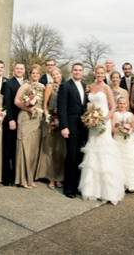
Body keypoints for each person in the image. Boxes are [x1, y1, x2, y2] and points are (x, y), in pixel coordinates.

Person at [78, 64, 125, 204]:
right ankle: (92, 189)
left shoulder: (106, 88)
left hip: (103, 121)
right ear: (95, 73)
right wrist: (90, 118)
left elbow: (113, 106)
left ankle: (108, 190)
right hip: (92, 122)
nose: (99, 75)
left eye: (101, 73)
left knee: (104, 151)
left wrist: (104, 120)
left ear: (104, 74)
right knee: (93, 151)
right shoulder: (90, 87)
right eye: (97, 73)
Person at [57, 62, 88, 198]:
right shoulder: (65, 86)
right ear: (71, 71)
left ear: (83, 72)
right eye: (75, 70)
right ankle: (69, 188)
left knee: (81, 157)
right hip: (71, 127)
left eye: (80, 70)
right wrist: (64, 127)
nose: (77, 72)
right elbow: (61, 108)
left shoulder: (85, 86)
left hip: (84, 128)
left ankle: (78, 186)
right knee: (72, 157)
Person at [14, 64, 45, 188]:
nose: (35, 75)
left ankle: (30, 178)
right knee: (25, 147)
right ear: (30, 74)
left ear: (40, 74)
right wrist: (28, 108)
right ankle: (22, 179)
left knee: (33, 149)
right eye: (33, 73)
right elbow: (17, 101)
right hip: (26, 118)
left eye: (37, 73)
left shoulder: (43, 87)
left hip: (38, 120)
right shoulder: (25, 85)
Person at [36, 67, 65, 188]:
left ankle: (59, 177)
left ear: (60, 74)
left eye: (57, 74)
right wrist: (47, 119)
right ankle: (51, 178)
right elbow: (45, 104)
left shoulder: (65, 86)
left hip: (62, 122)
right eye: (53, 74)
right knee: (51, 150)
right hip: (51, 120)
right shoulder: (49, 86)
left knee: (60, 150)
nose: (55, 76)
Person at [112, 96, 134, 193]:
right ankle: (121, 183)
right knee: (119, 160)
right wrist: (121, 132)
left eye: (124, 103)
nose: (122, 105)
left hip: (129, 140)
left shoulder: (130, 114)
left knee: (131, 158)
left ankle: (133, 183)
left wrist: (130, 129)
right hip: (118, 140)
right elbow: (112, 127)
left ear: (127, 104)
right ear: (117, 104)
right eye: (120, 103)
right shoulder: (114, 114)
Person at [1, 62, 25, 186]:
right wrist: (10, 119)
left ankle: (17, 175)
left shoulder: (27, 84)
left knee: (18, 149)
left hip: (24, 121)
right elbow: (7, 103)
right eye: (17, 68)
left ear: (24, 70)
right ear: (13, 70)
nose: (19, 70)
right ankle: (6, 177)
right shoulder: (8, 84)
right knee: (8, 149)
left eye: (21, 68)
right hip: (12, 120)